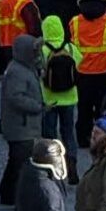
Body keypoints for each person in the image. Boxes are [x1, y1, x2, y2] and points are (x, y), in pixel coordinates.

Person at [71, 0, 106, 147]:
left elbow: (71, 47)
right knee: (104, 108)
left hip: (82, 72)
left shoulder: (74, 22)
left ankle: (83, 138)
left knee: (83, 108)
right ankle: (104, 137)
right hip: (105, 72)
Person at [0, 34, 45, 206]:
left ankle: (9, 195)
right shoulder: (18, 71)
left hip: (23, 125)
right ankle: (12, 195)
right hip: (21, 126)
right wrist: (37, 106)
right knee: (18, 163)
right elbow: (16, 97)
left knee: (15, 162)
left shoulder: (24, 67)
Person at [38, 16, 82, 180]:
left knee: (49, 135)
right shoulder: (69, 48)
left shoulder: (43, 49)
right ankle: (72, 166)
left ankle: (52, 167)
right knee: (68, 133)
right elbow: (80, 62)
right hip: (69, 98)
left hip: (49, 98)